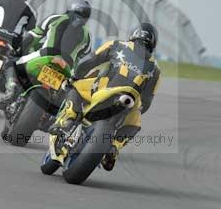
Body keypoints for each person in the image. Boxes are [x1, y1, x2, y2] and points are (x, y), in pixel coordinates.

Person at [49, 22, 161, 171]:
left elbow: (87, 61)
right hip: (130, 101)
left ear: (133, 35)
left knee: (76, 87)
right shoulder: (156, 69)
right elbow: (146, 102)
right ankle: (114, 147)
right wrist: (138, 108)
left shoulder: (117, 44)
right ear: (153, 43)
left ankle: (68, 120)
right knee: (135, 124)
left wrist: (76, 77)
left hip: (104, 89)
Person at [0, 0, 93, 109]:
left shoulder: (54, 18)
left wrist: (18, 50)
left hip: (45, 55)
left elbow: (32, 37)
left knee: (10, 62)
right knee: (66, 92)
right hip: (66, 66)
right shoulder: (88, 35)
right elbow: (82, 55)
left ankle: (12, 88)